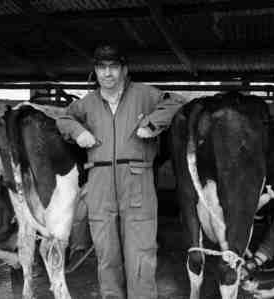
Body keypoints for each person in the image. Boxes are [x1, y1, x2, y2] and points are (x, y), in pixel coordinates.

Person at [57, 44, 184, 299]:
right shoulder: (87, 103)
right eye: (102, 68)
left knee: (141, 253)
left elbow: (175, 103)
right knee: (106, 254)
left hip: (137, 182)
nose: (107, 73)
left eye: (113, 67)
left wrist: (151, 123)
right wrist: (78, 132)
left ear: (124, 70)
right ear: (95, 71)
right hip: (100, 182)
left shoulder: (144, 94)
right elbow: (63, 118)